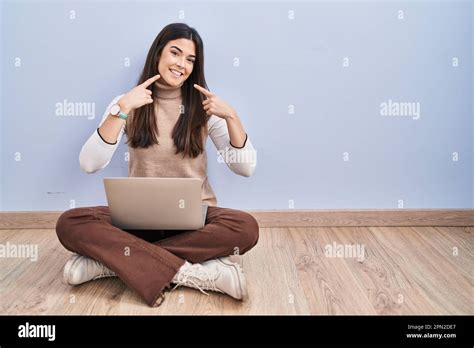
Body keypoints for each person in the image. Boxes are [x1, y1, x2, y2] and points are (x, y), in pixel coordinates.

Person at [55, 23, 259, 307]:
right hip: (137, 221)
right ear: (158, 54)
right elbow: (89, 163)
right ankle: (195, 273)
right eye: (175, 53)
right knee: (70, 223)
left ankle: (112, 264)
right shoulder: (126, 103)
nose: (182, 64)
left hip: (196, 221)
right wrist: (122, 109)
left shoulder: (204, 107)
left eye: (190, 60)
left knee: (245, 227)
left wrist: (232, 117)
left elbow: (245, 168)